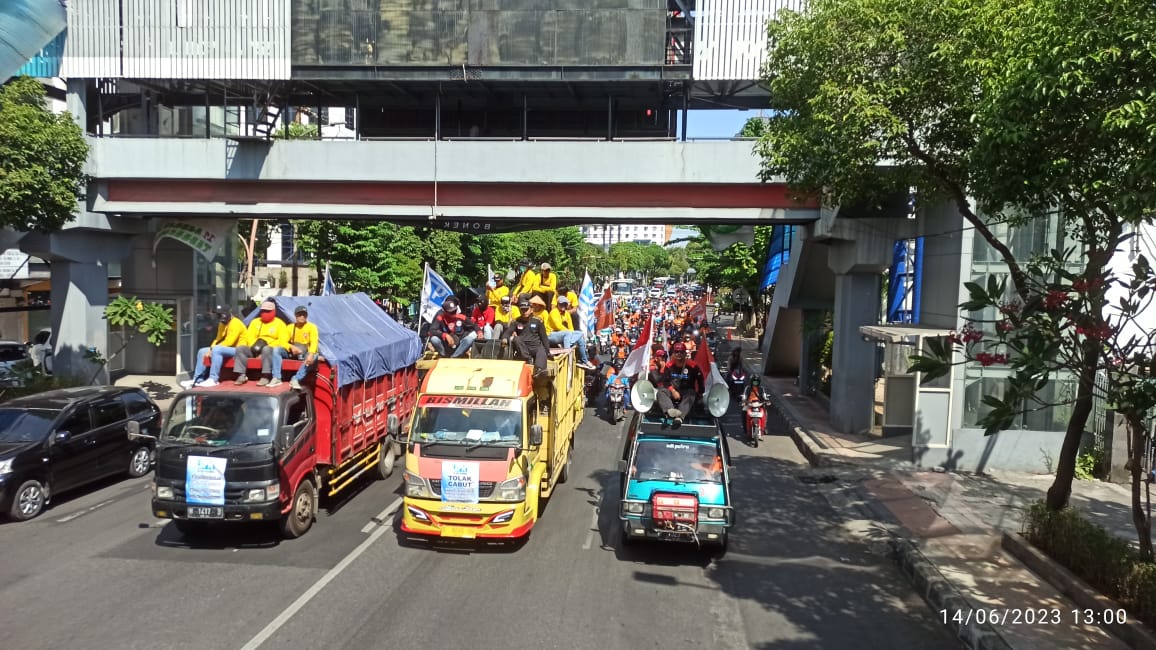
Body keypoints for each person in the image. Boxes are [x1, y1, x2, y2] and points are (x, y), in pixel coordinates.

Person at [182, 305, 247, 388]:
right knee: (202, 351)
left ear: (227, 314)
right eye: (218, 314)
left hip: (239, 350)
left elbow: (230, 342)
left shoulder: (236, 323)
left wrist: (213, 350)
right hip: (225, 349)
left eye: (221, 314)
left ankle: (213, 379)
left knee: (217, 349)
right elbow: (218, 339)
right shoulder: (222, 324)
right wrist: (210, 348)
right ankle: (197, 379)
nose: (219, 316)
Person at [233, 301, 290, 387]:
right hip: (255, 348)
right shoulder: (255, 322)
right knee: (240, 348)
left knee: (266, 349)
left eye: (268, 311)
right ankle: (241, 375)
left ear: (273, 312)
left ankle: (265, 376)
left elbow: (283, 340)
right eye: (263, 311)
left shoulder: (280, 324)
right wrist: (256, 348)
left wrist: (266, 346)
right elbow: (249, 337)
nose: (265, 313)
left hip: (269, 349)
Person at [654, 341, 704, 426]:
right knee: (661, 392)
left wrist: (700, 395)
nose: (679, 354)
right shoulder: (669, 366)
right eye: (676, 352)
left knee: (691, 394)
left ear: (685, 353)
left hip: (687, 391)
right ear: (673, 353)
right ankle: (670, 411)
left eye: (681, 352)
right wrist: (673, 391)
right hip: (672, 391)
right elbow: (665, 381)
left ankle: (680, 417)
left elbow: (700, 380)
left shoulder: (693, 366)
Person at [543, 294, 596, 370]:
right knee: (568, 333)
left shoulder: (567, 313)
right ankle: (567, 353)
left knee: (580, 334)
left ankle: (584, 360)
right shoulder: (554, 312)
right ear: (558, 304)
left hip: (562, 335)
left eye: (565, 304)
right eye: (561, 304)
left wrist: (572, 333)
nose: (563, 306)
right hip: (550, 335)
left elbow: (571, 327)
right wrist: (571, 334)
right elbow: (559, 327)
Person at [283, 305, 319, 390]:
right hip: (293, 352)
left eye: (304, 315)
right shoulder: (290, 327)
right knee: (277, 350)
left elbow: (314, 342)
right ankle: (276, 377)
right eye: (300, 314)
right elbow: (282, 341)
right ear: (295, 315)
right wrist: (291, 347)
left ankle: (296, 379)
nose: (302, 317)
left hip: (306, 353)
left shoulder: (312, 327)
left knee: (313, 356)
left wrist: (311, 354)